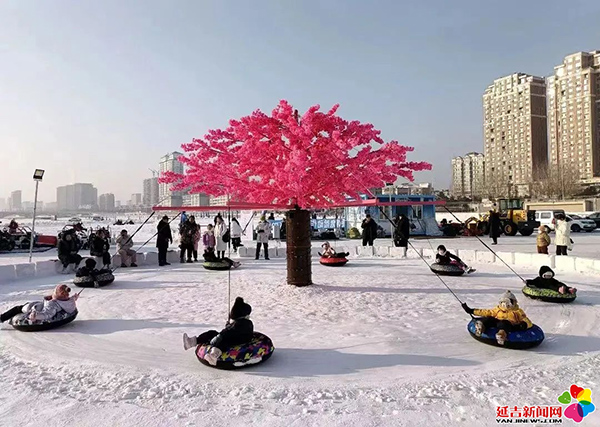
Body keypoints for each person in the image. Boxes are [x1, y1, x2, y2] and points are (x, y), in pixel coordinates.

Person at [182, 297, 253, 366]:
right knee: (211, 333)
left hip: (240, 340)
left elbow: (231, 332)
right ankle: (192, 342)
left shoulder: (245, 323)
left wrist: (221, 335)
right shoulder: (238, 322)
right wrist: (228, 327)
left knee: (224, 342)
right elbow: (231, 330)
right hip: (233, 336)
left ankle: (213, 356)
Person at [462, 291, 533, 346]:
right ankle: (481, 327)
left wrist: (523, 324)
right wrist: (472, 311)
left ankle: (501, 335)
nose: (505, 305)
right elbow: (487, 312)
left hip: (508, 324)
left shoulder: (517, 311)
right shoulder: (498, 309)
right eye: (503, 302)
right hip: (497, 322)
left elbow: (526, 320)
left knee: (504, 323)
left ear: (513, 302)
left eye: (507, 302)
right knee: (489, 318)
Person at [1, 284, 79, 324]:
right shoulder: (68, 301)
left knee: (17, 309)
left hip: (33, 309)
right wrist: (74, 297)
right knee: (21, 307)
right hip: (37, 306)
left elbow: (47, 314)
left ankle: (1, 318)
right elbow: (69, 299)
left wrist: (35, 316)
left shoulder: (52, 304)